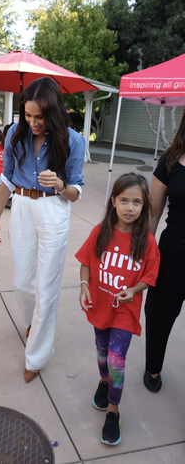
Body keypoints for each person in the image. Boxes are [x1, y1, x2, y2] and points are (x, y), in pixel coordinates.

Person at [0, 77, 85, 383]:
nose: (32, 122)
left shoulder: (73, 140)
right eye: (28, 116)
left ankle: (37, 355)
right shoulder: (15, 137)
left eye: (39, 117)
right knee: (21, 282)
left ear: (53, 112)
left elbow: (76, 191)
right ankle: (32, 322)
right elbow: (6, 177)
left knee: (46, 286)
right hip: (21, 206)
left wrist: (60, 184)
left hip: (54, 209)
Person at [76, 173, 160, 446]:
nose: (129, 207)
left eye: (136, 202)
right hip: (100, 305)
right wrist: (83, 285)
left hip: (125, 311)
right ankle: (103, 382)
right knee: (101, 353)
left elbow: (149, 277)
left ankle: (113, 410)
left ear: (144, 206)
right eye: (124, 200)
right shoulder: (100, 232)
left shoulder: (146, 240)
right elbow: (85, 262)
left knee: (116, 360)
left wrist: (134, 291)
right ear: (113, 201)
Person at [143, 108, 185, 393]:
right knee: (159, 313)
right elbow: (154, 214)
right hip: (173, 250)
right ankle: (153, 367)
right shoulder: (170, 159)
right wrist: (141, 254)